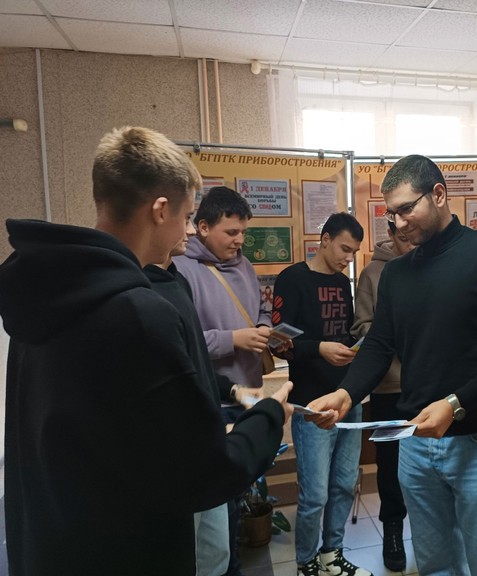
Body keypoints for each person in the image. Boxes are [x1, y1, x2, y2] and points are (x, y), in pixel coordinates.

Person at [0, 126, 291, 576]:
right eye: (188, 216)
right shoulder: (136, 312)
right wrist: (270, 414)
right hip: (124, 550)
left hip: (53, 546)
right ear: (160, 210)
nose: (189, 230)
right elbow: (204, 473)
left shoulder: (46, 290)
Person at [308, 155, 477, 576]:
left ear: (438, 194)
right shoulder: (397, 275)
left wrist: (456, 403)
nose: (398, 223)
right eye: (391, 214)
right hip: (415, 444)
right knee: (436, 566)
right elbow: (379, 346)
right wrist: (346, 394)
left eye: (406, 209)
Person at [173, 185, 273, 576]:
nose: (240, 240)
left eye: (243, 232)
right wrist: (234, 339)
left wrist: (262, 328)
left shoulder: (243, 265)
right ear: (202, 227)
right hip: (213, 399)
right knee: (219, 503)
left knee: (240, 494)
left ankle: (232, 562)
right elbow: (185, 343)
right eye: (231, 232)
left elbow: (261, 307)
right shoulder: (181, 270)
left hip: (247, 392)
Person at [271, 212, 373, 576]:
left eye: (354, 252)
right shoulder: (292, 279)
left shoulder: (343, 283)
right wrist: (319, 349)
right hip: (311, 403)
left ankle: (332, 554)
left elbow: (344, 333)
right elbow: (277, 343)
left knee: (344, 484)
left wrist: (354, 347)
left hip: (346, 398)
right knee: (315, 494)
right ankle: (306, 561)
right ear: (324, 240)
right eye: (345, 249)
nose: (349, 258)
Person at [349, 220, 414, 571]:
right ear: (390, 234)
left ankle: (434, 530)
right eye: (402, 238)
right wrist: (398, 336)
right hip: (390, 387)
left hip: (430, 388)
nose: (410, 244)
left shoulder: (432, 264)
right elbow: (362, 327)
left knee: (434, 462)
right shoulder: (373, 273)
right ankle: (392, 530)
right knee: (390, 466)